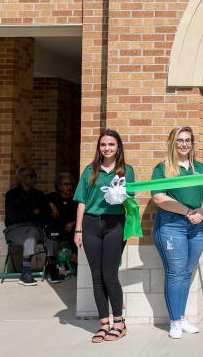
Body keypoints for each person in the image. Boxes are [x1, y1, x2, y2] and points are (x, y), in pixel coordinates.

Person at [151, 126, 203, 339]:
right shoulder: (163, 169)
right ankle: (175, 322)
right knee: (175, 273)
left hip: (197, 226)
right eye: (179, 140)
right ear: (172, 143)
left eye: (188, 140)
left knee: (186, 273)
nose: (184, 144)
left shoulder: (200, 168)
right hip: (172, 226)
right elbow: (159, 198)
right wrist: (188, 211)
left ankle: (182, 317)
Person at [73, 130, 135, 343]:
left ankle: (119, 322)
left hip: (114, 224)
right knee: (96, 277)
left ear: (118, 147)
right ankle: (103, 324)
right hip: (90, 224)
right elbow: (82, 201)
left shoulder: (126, 170)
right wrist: (78, 230)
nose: (107, 148)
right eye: (103, 145)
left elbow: (131, 199)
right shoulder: (90, 170)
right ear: (99, 147)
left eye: (111, 144)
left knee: (110, 276)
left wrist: (120, 195)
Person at [3, 166, 62, 285]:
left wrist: (46, 213)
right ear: (20, 178)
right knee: (32, 232)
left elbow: (46, 214)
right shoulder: (11, 194)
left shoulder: (39, 194)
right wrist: (33, 213)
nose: (34, 178)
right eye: (31, 176)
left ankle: (52, 268)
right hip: (14, 230)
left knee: (52, 233)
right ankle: (25, 273)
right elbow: (13, 216)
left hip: (36, 228)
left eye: (35, 176)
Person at [47, 172, 79, 265]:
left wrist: (73, 222)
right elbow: (41, 200)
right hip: (57, 229)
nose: (69, 186)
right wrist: (51, 204)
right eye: (66, 184)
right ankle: (53, 265)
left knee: (76, 232)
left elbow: (81, 215)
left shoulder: (75, 200)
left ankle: (74, 256)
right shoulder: (53, 197)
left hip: (71, 230)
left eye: (70, 184)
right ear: (59, 186)